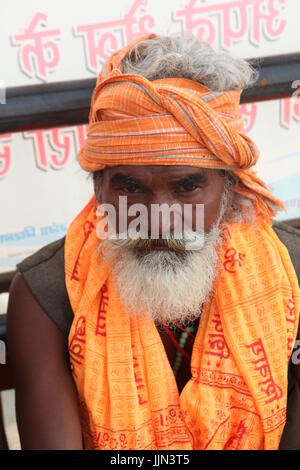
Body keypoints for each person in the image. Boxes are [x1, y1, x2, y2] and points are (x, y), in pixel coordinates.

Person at [6, 33, 300, 450]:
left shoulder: (290, 272)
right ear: (99, 190)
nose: (160, 220)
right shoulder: (47, 294)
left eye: (187, 187)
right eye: (130, 188)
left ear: (229, 189)